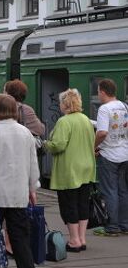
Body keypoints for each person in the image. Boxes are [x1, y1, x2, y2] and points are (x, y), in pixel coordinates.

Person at [0, 94, 40, 268]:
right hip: (19, 196)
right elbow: (32, 163)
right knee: (21, 242)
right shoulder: (25, 133)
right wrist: (32, 188)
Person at [44, 89, 96, 252]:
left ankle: (74, 240)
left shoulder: (64, 121)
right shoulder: (86, 120)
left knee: (69, 205)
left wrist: (45, 144)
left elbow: (58, 145)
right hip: (86, 168)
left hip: (69, 170)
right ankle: (82, 238)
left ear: (65, 104)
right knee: (82, 204)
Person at [93, 79, 128, 236]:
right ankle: (124, 224)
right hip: (124, 153)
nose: (98, 95)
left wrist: (93, 147)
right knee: (123, 190)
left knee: (110, 190)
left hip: (108, 154)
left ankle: (112, 227)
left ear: (103, 92)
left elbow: (102, 132)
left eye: (98, 92)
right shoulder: (124, 107)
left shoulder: (104, 109)